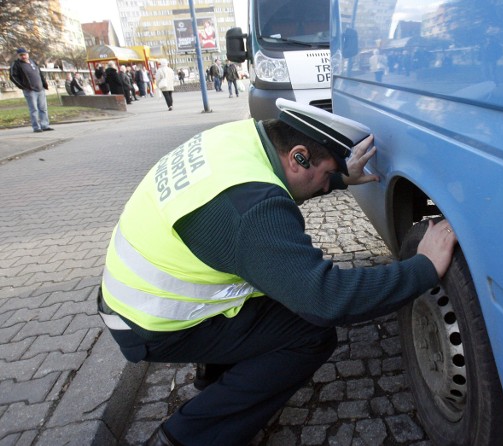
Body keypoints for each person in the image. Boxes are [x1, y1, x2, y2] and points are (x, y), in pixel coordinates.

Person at [97, 98, 457, 446]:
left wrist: (337, 178)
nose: (325, 184)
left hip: (127, 293)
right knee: (309, 333)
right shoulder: (253, 211)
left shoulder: (240, 140)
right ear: (298, 156)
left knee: (271, 279)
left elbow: (280, 182)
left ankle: (216, 374)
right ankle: (186, 436)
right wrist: (422, 267)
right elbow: (328, 299)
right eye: (326, 174)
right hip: (149, 322)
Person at [9, 48, 54, 133]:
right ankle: (36, 127)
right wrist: (22, 86)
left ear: (27, 54)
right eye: (21, 55)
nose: (23, 56)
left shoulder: (33, 62)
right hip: (30, 90)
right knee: (34, 109)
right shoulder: (16, 64)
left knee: (43, 109)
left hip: (40, 89)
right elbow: (13, 76)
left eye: (24, 54)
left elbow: (40, 73)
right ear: (18, 56)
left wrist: (44, 84)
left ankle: (45, 125)